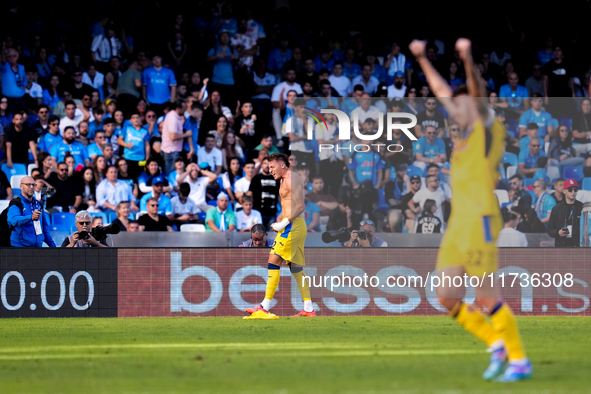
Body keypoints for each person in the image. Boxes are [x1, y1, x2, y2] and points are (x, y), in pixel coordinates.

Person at [410, 38, 531, 381]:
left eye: (461, 104)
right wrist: (421, 58)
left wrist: (466, 58)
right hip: (458, 223)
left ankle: (520, 360)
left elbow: (474, 90)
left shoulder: (487, 128)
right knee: (447, 296)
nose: (454, 108)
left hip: (481, 219)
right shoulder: (463, 136)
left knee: (486, 297)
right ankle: (496, 343)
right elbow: (440, 89)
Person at [244, 153, 315, 319]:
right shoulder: (284, 180)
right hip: (290, 225)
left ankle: (264, 307)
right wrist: (282, 220)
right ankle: (308, 308)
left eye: (272, 167)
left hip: (293, 227)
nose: (270, 170)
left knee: (273, 260)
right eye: (268, 168)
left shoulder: (292, 178)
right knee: (296, 268)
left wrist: (284, 223)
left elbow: (300, 206)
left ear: (282, 165)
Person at [7, 176, 56, 247]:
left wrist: (53, 246)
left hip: (37, 248)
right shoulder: (16, 203)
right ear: (21, 186)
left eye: (33, 185)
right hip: (20, 248)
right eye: (28, 184)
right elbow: (14, 220)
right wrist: (31, 217)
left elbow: (44, 228)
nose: (31, 187)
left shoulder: (38, 204)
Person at [547, 178, 583, 247]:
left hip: (577, 246)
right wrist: (558, 232)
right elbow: (550, 229)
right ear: (564, 191)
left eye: (575, 190)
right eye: (570, 190)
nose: (573, 192)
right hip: (561, 246)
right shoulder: (556, 209)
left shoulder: (582, 207)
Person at [248, 156, 280, 229]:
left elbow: (279, 196)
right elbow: (250, 194)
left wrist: (282, 209)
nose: (267, 165)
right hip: (258, 213)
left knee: (271, 235)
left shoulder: (276, 179)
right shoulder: (256, 178)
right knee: (259, 234)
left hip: (272, 213)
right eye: (265, 163)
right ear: (261, 165)